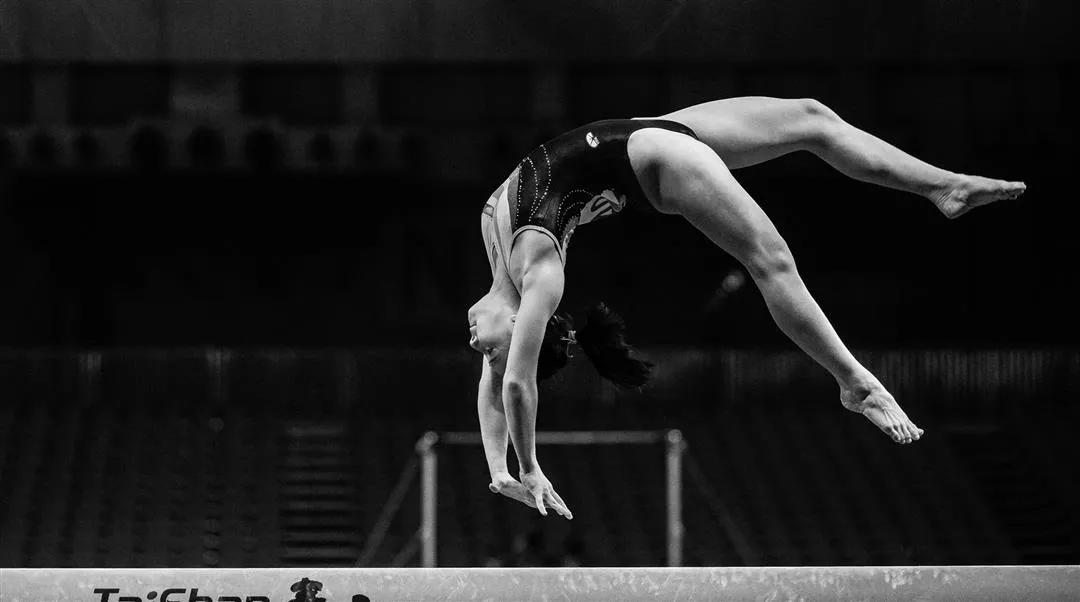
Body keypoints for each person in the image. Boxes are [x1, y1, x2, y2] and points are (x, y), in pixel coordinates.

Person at [467, 97, 1026, 520]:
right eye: (488, 352)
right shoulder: (541, 277)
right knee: (771, 261)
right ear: (522, 328)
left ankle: (945, 187)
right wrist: (530, 465)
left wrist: (501, 470)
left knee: (812, 117)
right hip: (660, 161)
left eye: (484, 354)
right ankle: (856, 383)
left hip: (654, 131)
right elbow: (515, 382)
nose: (475, 346)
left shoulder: (498, 252)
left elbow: (500, 384)